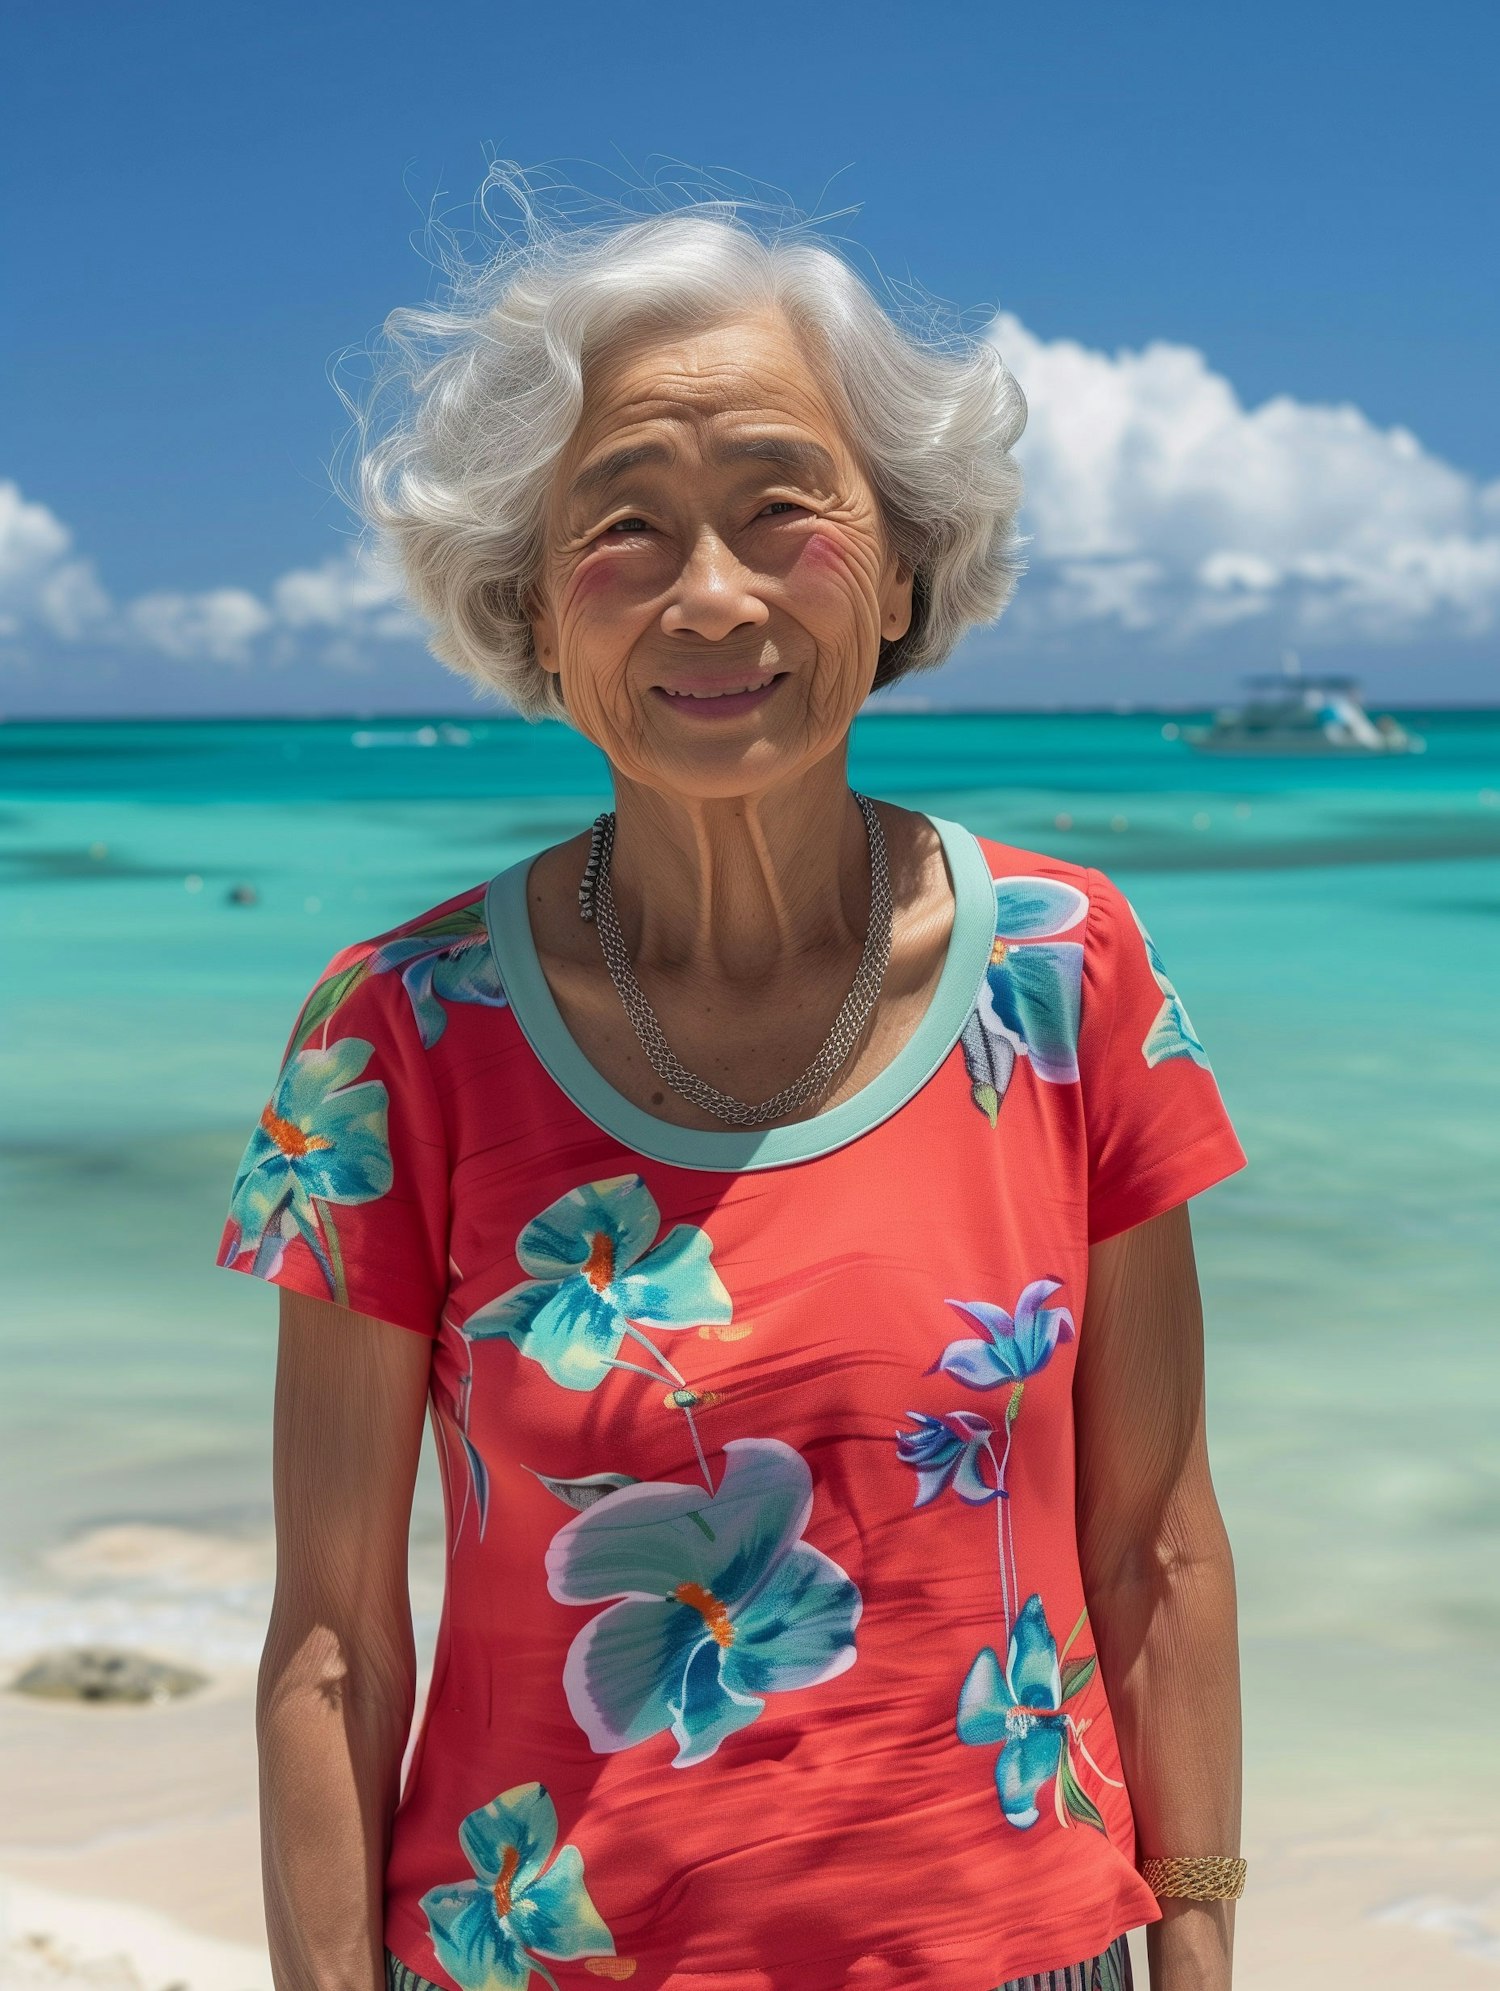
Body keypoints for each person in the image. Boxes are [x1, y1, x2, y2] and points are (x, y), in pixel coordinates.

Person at [220, 188, 1247, 1991]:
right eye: (625, 527)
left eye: (785, 506)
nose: (712, 593)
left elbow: (1155, 1547)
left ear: (904, 565)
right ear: (535, 611)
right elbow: (333, 1649)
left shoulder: (1067, 976)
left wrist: (1207, 1949)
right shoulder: (391, 1036)